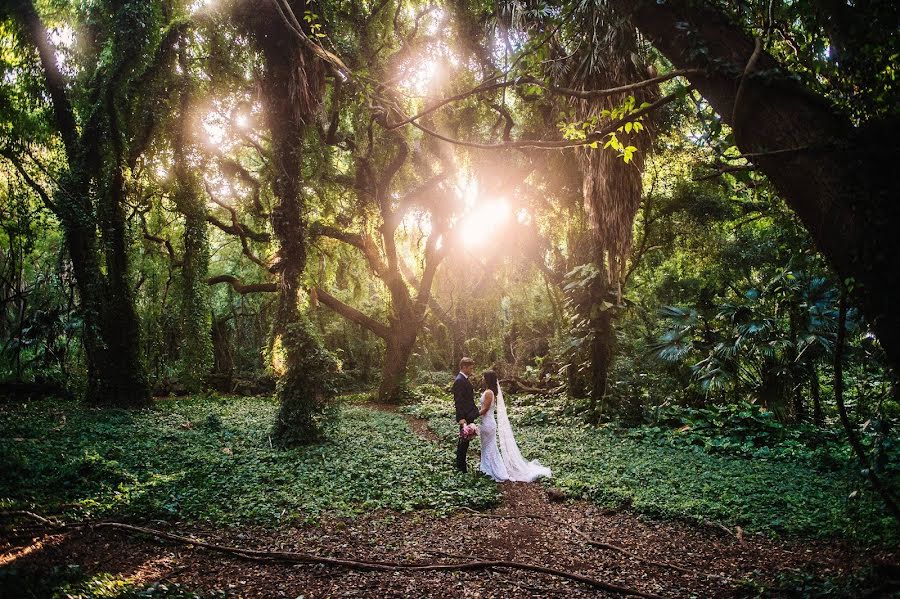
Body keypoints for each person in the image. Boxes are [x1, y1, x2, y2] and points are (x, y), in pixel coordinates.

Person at [478, 369, 552, 482]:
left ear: (487, 379)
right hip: (487, 423)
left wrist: (473, 414)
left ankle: (492, 470)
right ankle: (488, 468)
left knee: (489, 447)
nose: (482, 379)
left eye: (484, 377)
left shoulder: (489, 393)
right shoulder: (490, 391)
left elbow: (485, 409)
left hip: (487, 423)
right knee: (489, 447)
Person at [453, 357, 478, 473]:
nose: (472, 370)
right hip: (465, 416)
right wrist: (461, 418)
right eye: (470, 368)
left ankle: (461, 465)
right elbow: (458, 401)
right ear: (464, 367)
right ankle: (460, 467)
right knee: (463, 442)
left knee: (465, 441)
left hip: (469, 415)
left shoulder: (464, 379)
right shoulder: (459, 381)